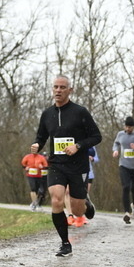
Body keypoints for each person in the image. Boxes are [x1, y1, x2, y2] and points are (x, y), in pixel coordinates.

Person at [31, 75, 102, 257]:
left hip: (78, 166)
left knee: (78, 211)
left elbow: (96, 137)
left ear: (70, 90)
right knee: (56, 200)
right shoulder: (47, 114)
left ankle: (86, 205)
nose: (58, 90)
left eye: (63, 87)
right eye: (55, 87)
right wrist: (37, 145)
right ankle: (65, 243)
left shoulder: (80, 112)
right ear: (52, 89)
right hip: (56, 164)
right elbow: (41, 136)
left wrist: (78, 146)